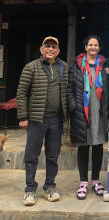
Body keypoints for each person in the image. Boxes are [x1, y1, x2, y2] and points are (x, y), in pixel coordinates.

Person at [17, 36, 68, 206]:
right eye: (47, 46)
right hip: (36, 119)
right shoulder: (31, 67)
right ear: (41, 49)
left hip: (56, 119)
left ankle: (49, 187)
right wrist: (23, 117)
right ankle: (30, 189)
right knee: (32, 155)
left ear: (58, 51)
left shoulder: (64, 67)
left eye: (54, 47)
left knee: (53, 155)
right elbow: (22, 93)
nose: (50, 49)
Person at [67, 35, 109, 200]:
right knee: (83, 146)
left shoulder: (106, 65)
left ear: (99, 48)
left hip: (99, 111)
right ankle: (83, 182)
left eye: (96, 45)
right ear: (85, 47)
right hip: (81, 112)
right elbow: (70, 88)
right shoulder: (77, 66)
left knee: (98, 145)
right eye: (90, 44)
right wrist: (73, 107)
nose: (93, 47)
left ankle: (96, 180)